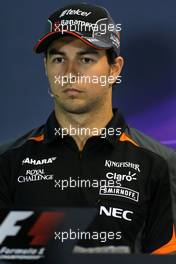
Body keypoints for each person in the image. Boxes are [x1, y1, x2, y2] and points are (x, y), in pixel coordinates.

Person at [0, 2, 176, 254]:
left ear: (114, 70)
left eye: (86, 58)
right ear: (46, 67)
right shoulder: (7, 161)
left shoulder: (160, 163)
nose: (70, 73)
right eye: (59, 58)